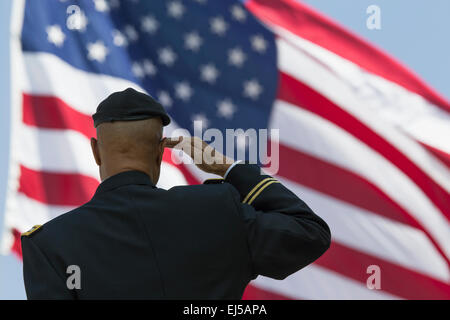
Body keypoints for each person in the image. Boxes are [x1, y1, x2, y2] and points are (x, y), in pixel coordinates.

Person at [21, 88, 331, 299]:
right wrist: (230, 169)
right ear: (160, 152)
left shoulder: (52, 245)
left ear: (95, 151)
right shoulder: (218, 211)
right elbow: (309, 232)